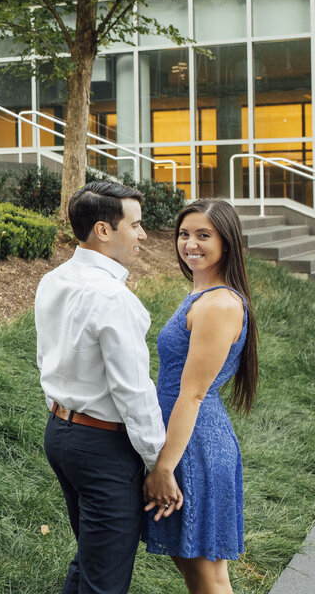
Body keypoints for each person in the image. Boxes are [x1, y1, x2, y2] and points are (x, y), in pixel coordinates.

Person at [36, 180, 183, 594]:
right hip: (102, 448)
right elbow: (133, 392)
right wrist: (158, 464)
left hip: (61, 434)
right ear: (104, 230)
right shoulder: (112, 298)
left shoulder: (53, 280)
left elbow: (45, 359)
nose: (142, 235)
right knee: (105, 580)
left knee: (91, 561)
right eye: (135, 226)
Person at [142, 199, 259, 594]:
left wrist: (163, 468)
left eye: (203, 235)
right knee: (201, 577)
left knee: (207, 578)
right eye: (184, 234)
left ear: (227, 241)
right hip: (187, 441)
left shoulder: (219, 304)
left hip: (193, 447)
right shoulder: (203, 294)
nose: (190, 243)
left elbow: (191, 395)